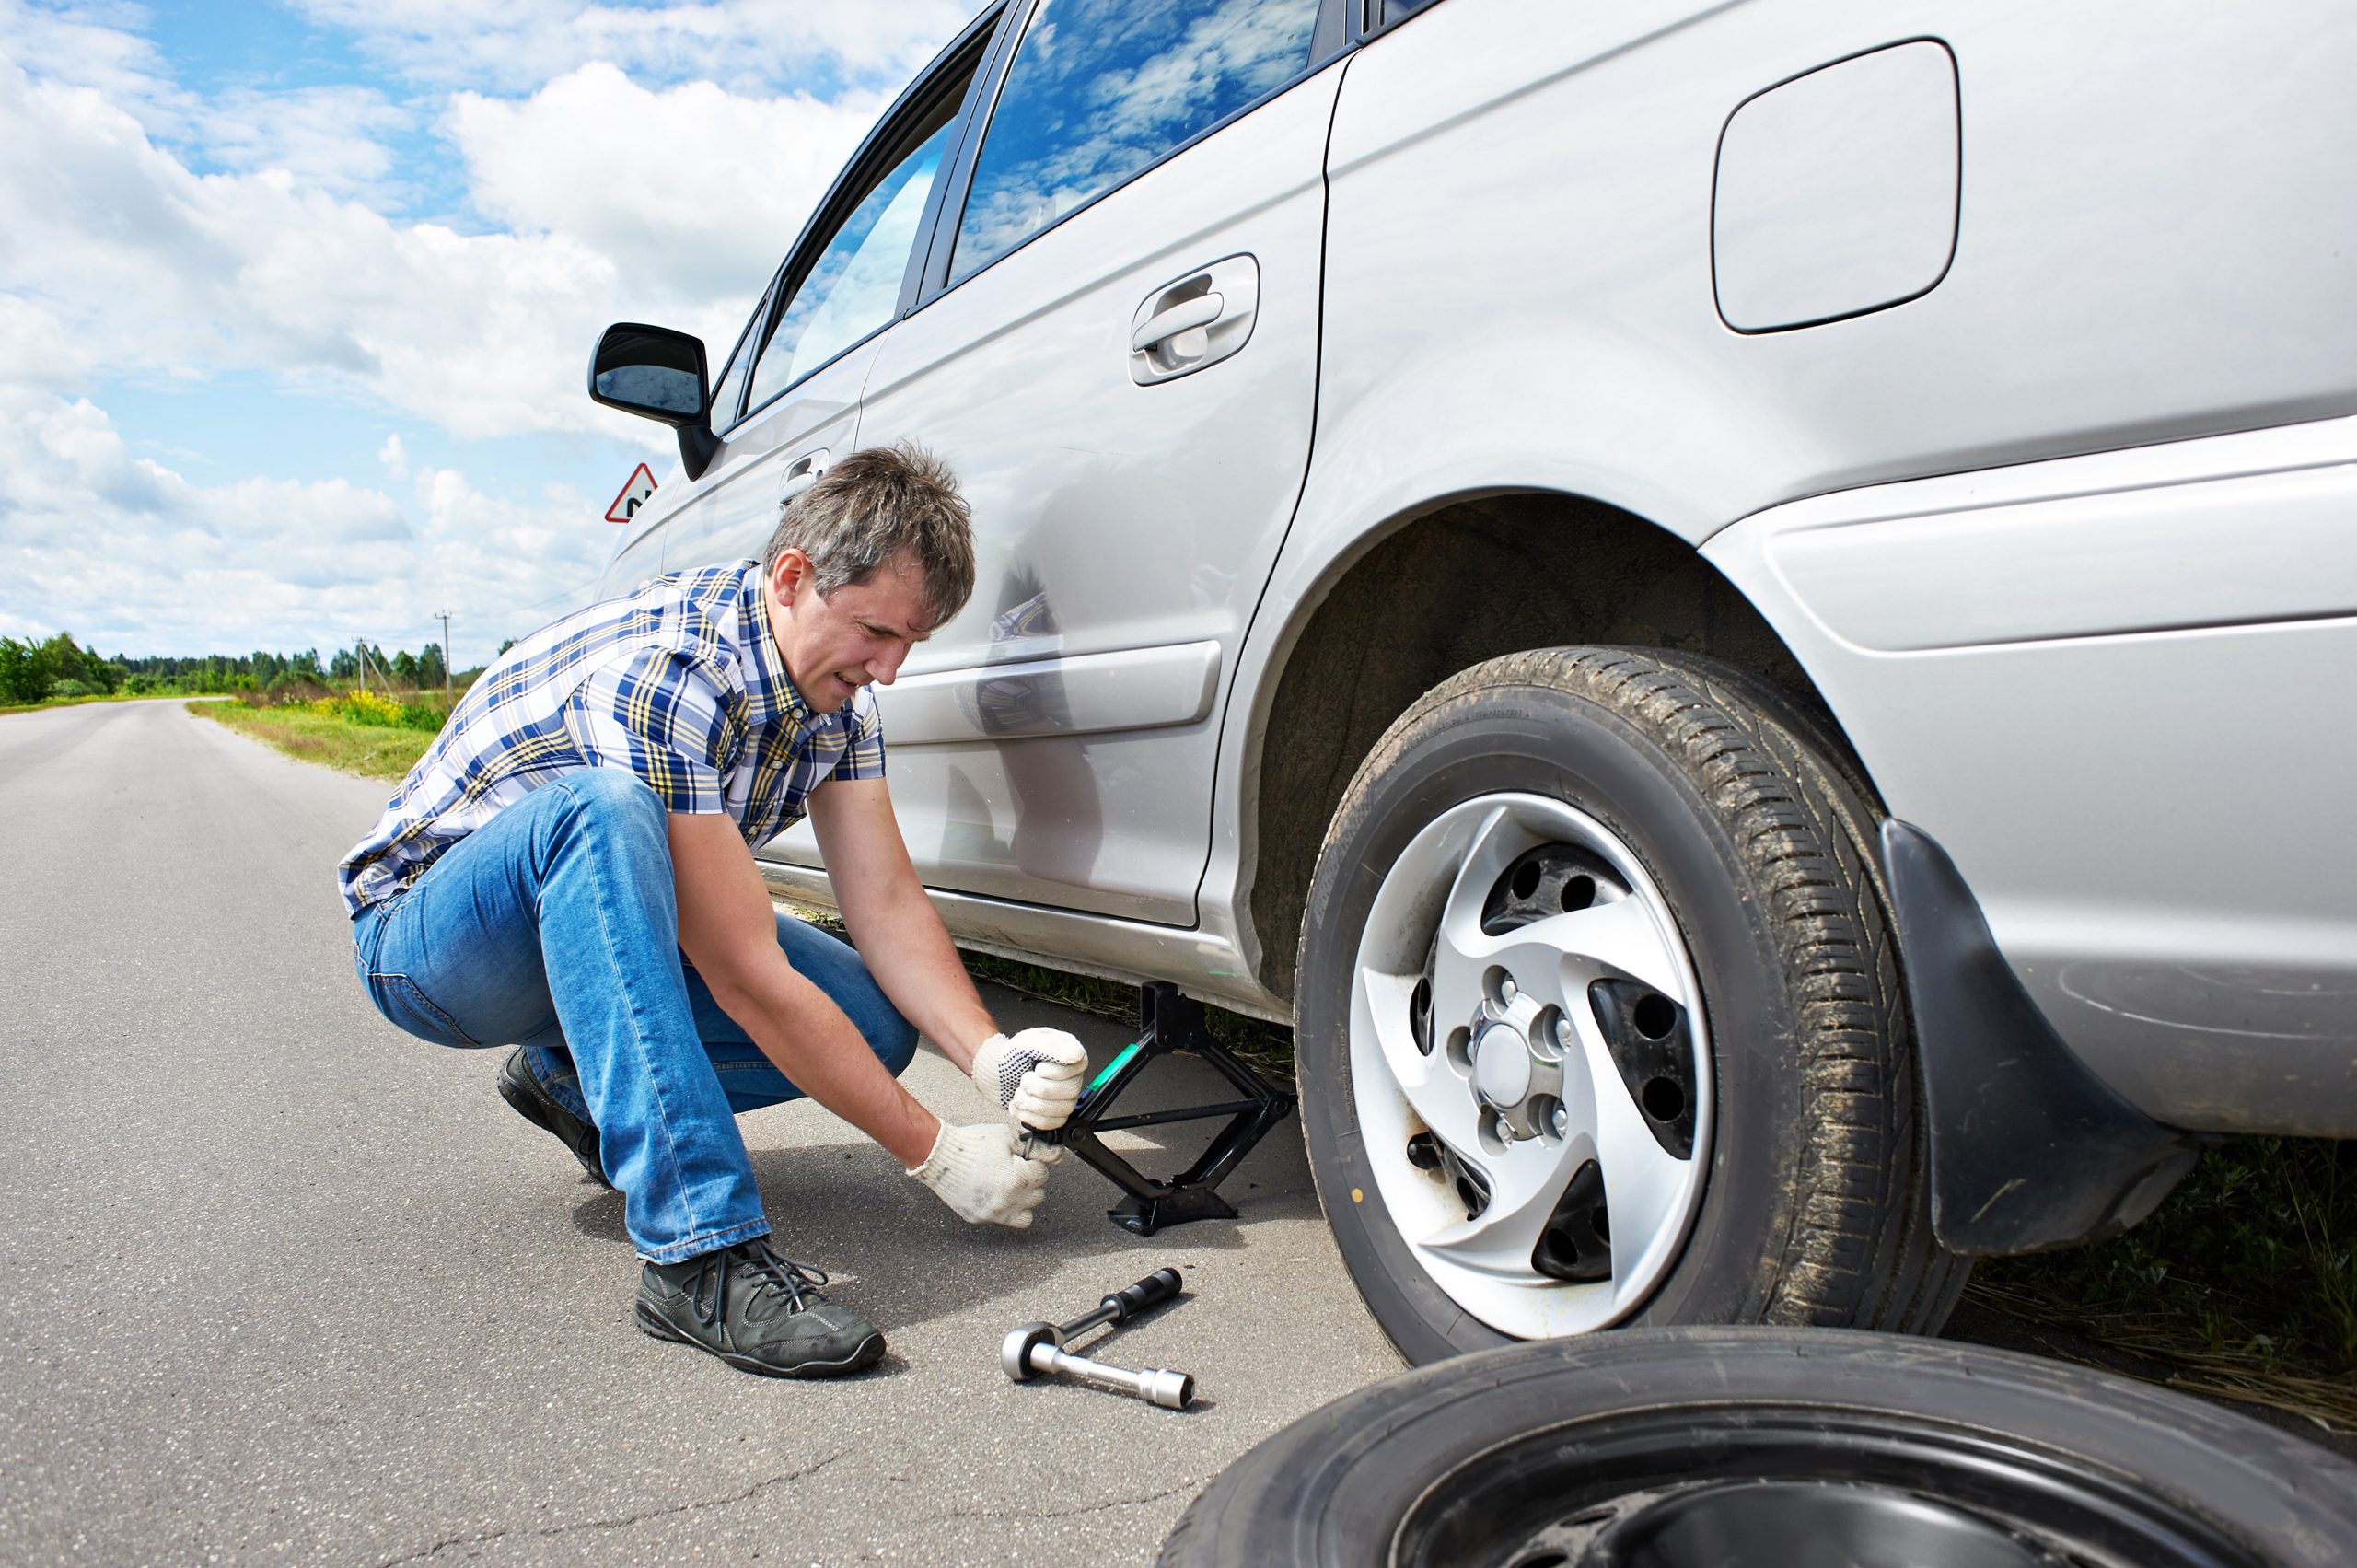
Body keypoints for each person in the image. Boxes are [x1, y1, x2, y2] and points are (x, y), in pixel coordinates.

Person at [336, 443, 1087, 1378]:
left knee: (872, 1023)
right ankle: (697, 1253)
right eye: (877, 633)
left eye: (910, 644)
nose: (889, 670)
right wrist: (932, 1150)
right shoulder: (669, 673)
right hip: (433, 947)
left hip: (580, 936)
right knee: (603, 811)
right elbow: (742, 971)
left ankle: (567, 1081)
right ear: (792, 576)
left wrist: (989, 1056)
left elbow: (886, 900)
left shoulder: (837, 702)